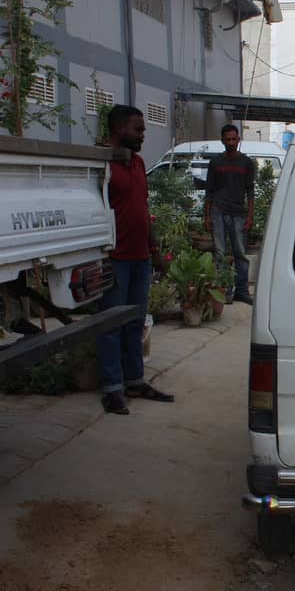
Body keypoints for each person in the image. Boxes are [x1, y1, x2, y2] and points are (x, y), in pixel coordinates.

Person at [97, 105, 174, 415]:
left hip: (140, 258)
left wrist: (155, 252)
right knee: (111, 325)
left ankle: (135, 381)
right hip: (113, 258)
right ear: (119, 130)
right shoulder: (101, 164)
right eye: (138, 129)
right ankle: (112, 389)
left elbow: (143, 210)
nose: (143, 134)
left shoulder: (139, 163)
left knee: (134, 323)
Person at [204, 124, 256, 305]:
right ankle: (224, 290)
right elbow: (209, 191)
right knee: (220, 253)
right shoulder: (216, 162)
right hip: (218, 211)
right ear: (222, 141)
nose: (231, 143)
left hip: (239, 213)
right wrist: (207, 216)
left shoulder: (247, 163)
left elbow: (250, 191)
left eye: (234, 139)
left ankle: (242, 291)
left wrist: (250, 216)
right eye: (228, 140)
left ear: (238, 139)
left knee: (240, 253)